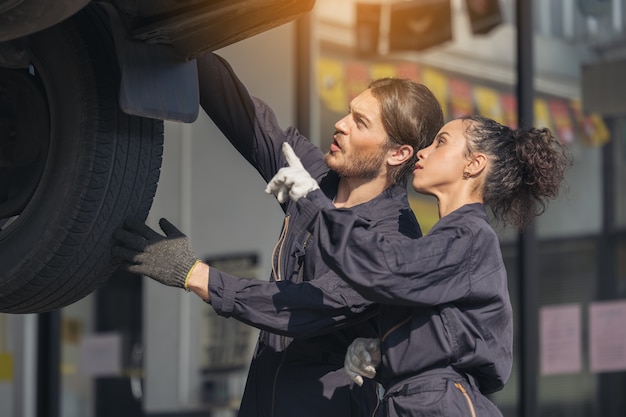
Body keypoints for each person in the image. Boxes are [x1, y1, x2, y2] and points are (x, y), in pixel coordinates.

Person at [112, 50, 444, 417]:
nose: (341, 124)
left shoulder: (396, 243)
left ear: (398, 154)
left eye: (360, 122)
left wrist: (195, 275)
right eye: (349, 111)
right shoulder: (316, 182)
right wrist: (189, 38)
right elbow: (245, 116)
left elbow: (307, 307)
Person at [266, 115, 570, 416]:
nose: (423, 151)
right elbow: (447, 335)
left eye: (441, 142)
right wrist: (384, 353)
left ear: (473, 165)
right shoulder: (454, 240)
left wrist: (314, 202)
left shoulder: (470, 237)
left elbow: (386, 269)